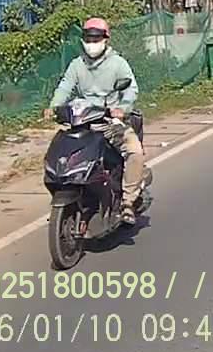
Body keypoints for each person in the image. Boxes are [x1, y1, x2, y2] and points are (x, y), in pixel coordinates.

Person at [44, 18, 144, 225]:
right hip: (82, 123)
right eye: (88, 39)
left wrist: (122, 109)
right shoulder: (77, 64)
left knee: (134, 152)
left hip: (110, 122)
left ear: (106, 39)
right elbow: (65, 86)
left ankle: (128, 201)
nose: (92, 43)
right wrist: (53, 106)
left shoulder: (117, 63)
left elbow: (130, 89)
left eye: (96, 39)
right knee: (62, 154)